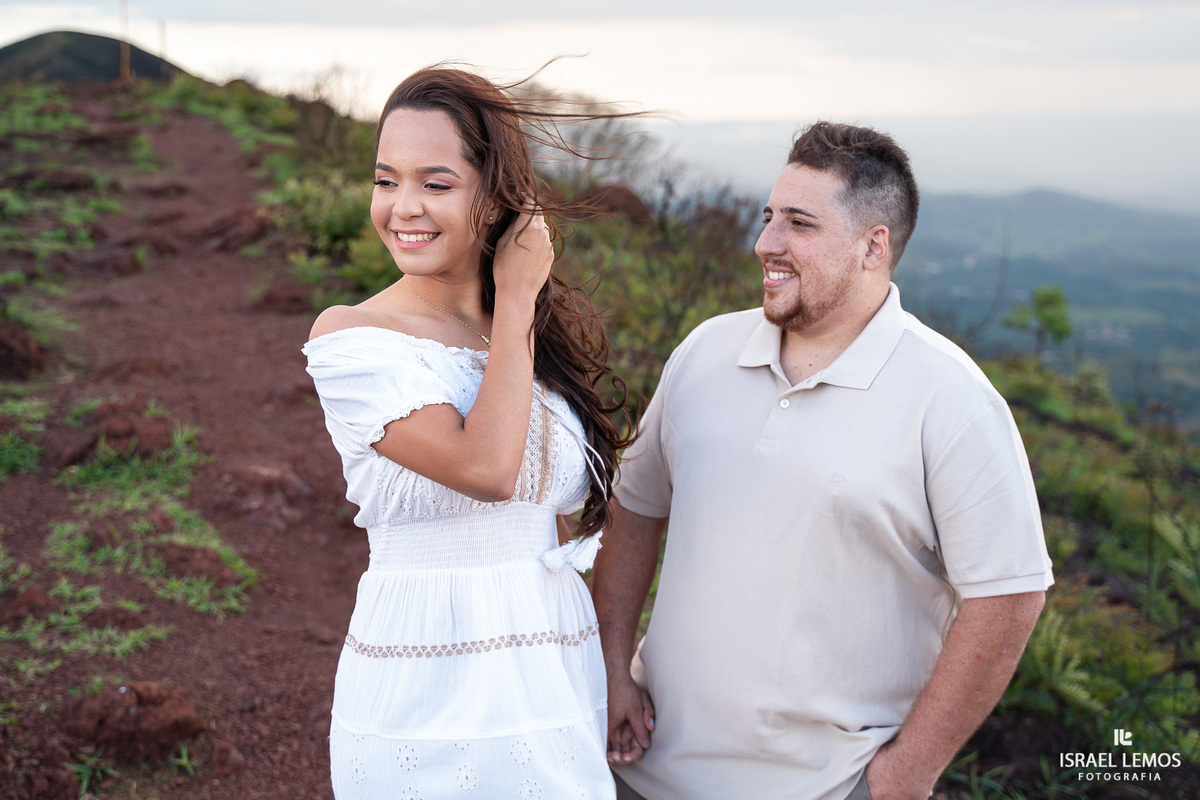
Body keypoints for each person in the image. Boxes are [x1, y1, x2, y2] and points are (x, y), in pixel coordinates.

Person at [593, 121, 1053, 800]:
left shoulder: (950, 398)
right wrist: (610, 670)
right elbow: (634, 509)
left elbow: (1011, 594)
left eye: (799, 225)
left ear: (874, 246)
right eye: (768, 217)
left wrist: (907, 774)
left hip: (825, 788)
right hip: (644, 768)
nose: (765, 244)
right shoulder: (704, 353)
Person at [303, 66, 632, 799]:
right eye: (386, 180)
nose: (402, 208)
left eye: (436, 183)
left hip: (550, 670)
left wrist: (610, 665)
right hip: (429, 680)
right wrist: (517, 297)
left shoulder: (525, 342)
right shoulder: (355, 337)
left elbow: (555, 518)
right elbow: (486, 470)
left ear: (496, 197)